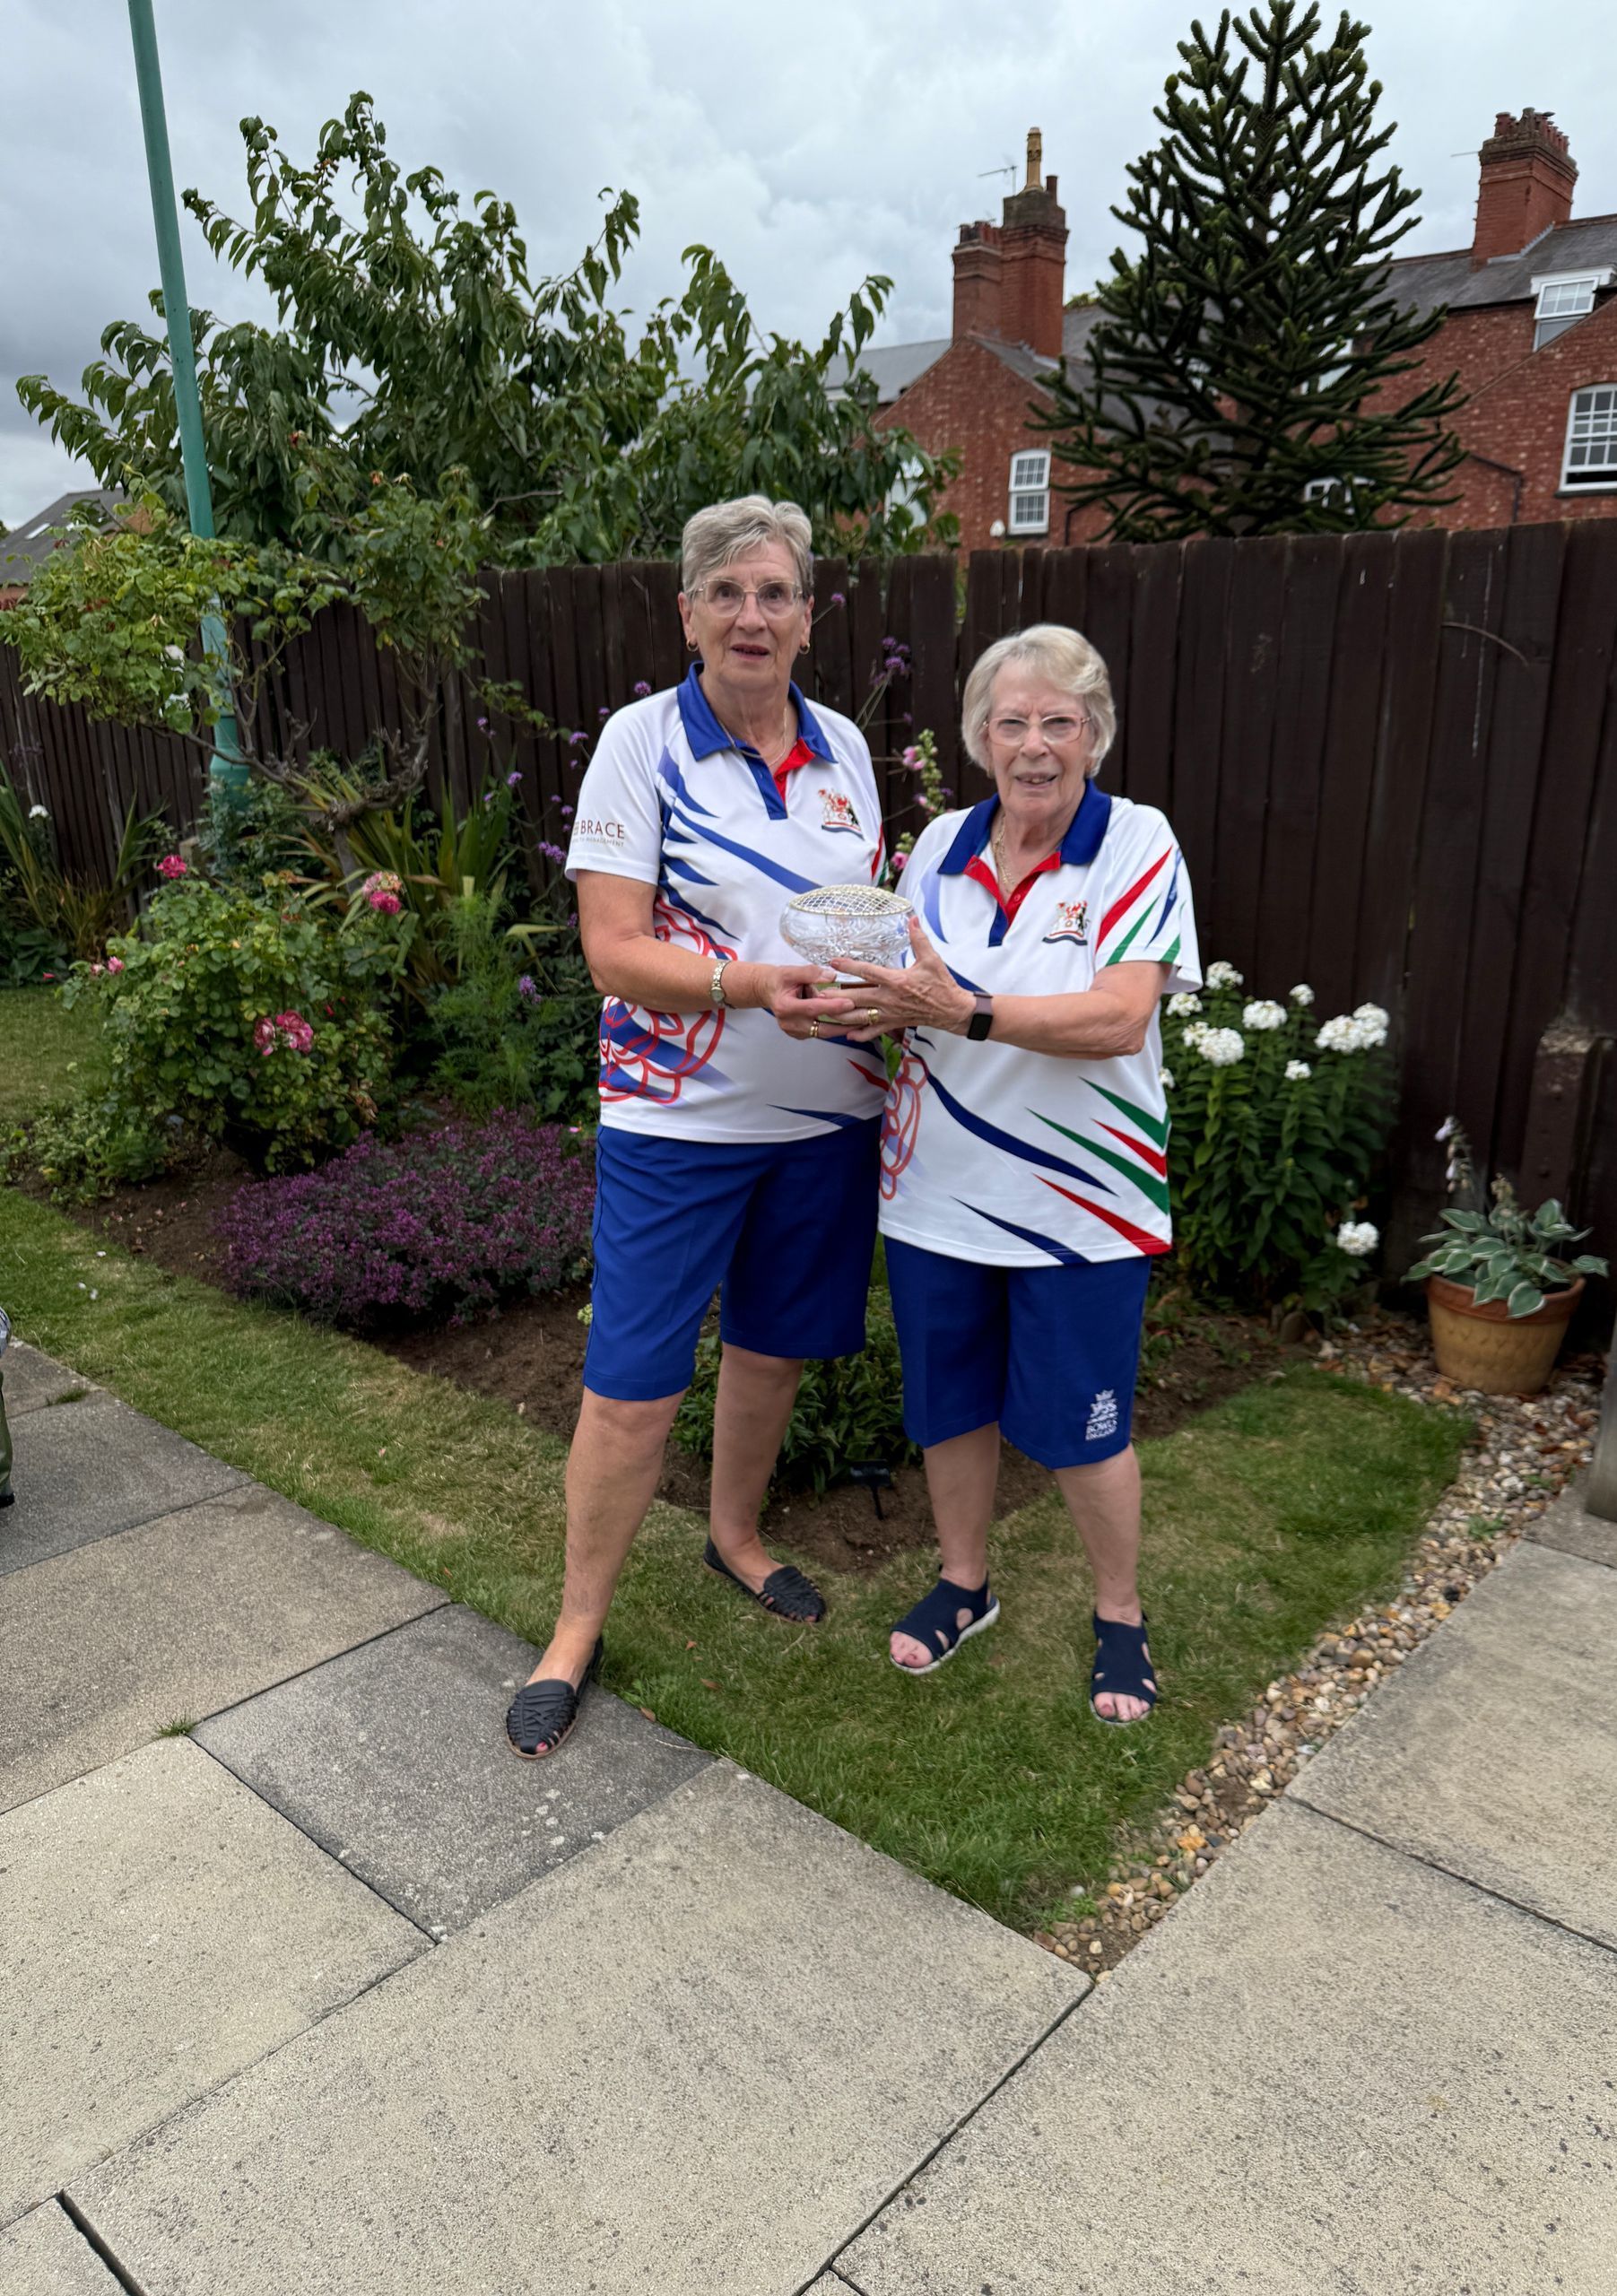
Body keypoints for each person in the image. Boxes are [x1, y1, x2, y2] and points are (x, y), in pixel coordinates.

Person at [505, 496, 885, 1760]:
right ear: (687, 613)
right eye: (726, 592)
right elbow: (613, 952)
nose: (750, 616)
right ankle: (574, 1629)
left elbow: (855, 920)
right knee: (630, 1384)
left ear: (807, 618)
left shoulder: (842, 748)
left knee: (770, 1351)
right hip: (677, 1121)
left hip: (826, 1115)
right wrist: (748, 984)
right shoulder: (640, 742)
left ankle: (734, 1536)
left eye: (773, 594)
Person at [839, 625, 1200, 1724]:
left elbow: (1119, 1016)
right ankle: (964, 1583)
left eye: (1059, 722)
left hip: (1080, 1208)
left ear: (1095, 734)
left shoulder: (1136, 841)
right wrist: (852, 1009)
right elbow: (905, 993)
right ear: (979, 737)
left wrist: (968, 1011)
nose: (1034, 744)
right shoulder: (939, 846)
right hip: (935, 1197)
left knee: (1088, 1430)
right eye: (1012, 722)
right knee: (950, 1410)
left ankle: (1120, 1613)